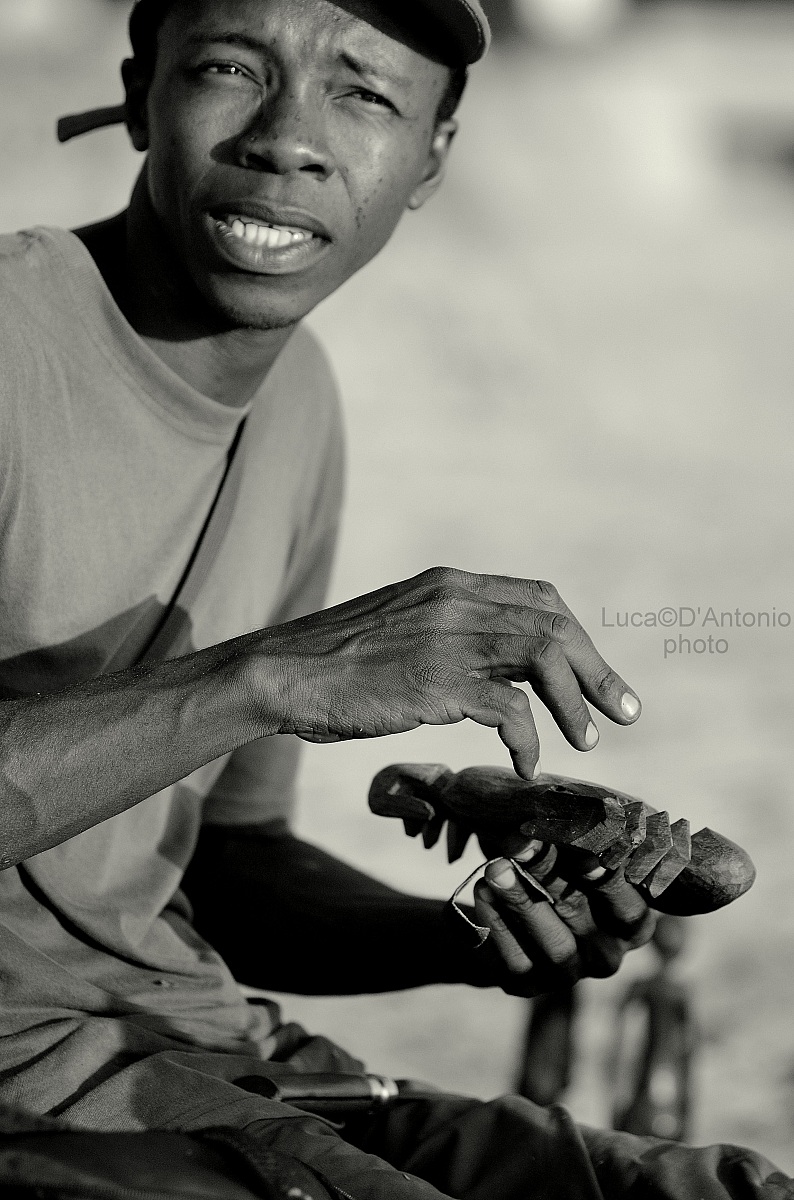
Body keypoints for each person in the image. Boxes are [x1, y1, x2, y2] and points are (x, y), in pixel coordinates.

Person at [0, 0, 788, 1194]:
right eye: (228, 67)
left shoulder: (297, 397)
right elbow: (248, 694)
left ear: (430, 159)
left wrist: (471, 937)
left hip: (213, 1063)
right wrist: (269, 676)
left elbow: (225, 873)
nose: (289, 138)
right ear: (139, 89)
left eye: (363, 92)